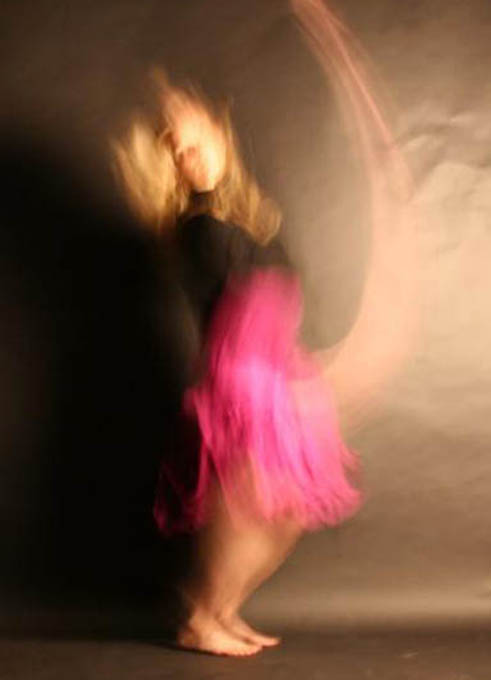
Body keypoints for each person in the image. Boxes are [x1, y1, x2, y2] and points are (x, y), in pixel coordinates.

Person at [114, 80, 361, 656]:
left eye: (197, 138)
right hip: (242, 375)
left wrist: (304, 362)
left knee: (288, 510)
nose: (190, 153)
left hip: (276, 368)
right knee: (250, 502)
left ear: (221, 136)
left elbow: (277, 296)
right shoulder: (196, 223)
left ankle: (222, 610)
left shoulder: (248, 216)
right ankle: (200, 616)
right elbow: (243, 302)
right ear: (169, 164)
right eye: (178, 149)